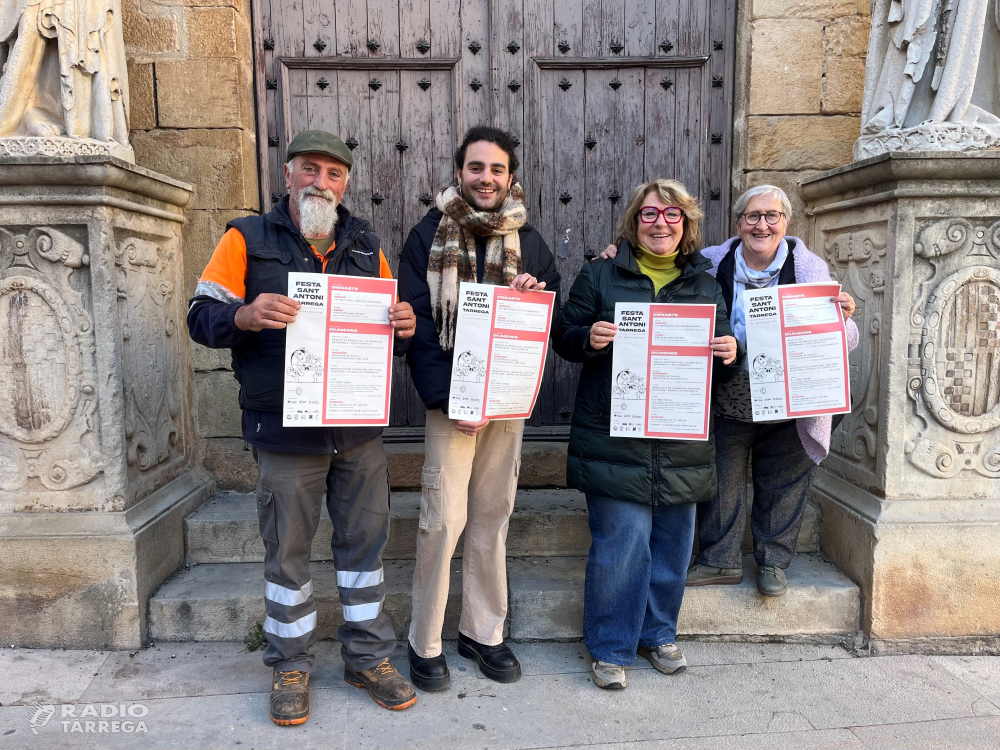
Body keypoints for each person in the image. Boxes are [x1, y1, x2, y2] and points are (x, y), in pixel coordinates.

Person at [187, 130, 419, 724]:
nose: (322, 182)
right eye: (310, 170)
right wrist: (243, 314)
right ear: (287, 174)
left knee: (365, 548)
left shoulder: (365, 244)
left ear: (346, 183)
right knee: (288, 553)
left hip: (357, 430)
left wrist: (402, 321)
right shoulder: (245, 237)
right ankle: (290, 661)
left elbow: (390, 324)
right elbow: (199, 316)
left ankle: (368, 655)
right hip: (286, 432)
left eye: (334, 173)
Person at [601, 184, 859, 597]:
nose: (762, 225)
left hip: (791, 396)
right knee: (722, 477)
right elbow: (665, 272)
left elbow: (846, 341)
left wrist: (841, 318)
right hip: (729, 392)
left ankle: (773, 561)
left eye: (771, 216)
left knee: (784, 478)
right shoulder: (712, 263)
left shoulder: (810, 270)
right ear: (738, 222)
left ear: (786, 223)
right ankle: (720, 560)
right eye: (752, 216)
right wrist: (617, 256)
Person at [554, 179, 742, 691]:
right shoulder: (599, 274)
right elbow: (564, 337)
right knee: (622, 544)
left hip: (681, 437)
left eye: (673, 215)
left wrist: (730, 355)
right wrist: (588, 338)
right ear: (634, 222)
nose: (661, 222)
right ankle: (611, 645)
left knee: (673, 545)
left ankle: (658, 634)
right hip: (615, 438)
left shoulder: (705, 284)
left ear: (687, 225)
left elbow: (722, 355)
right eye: (650, 214)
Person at [398, 126, 561, 692]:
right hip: (451, 407)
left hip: (507, 407)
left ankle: (482, 632)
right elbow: (417, 328)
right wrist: (450, 399)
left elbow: (549, 323)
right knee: (442, 521)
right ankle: (425, 640)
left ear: (510, 176)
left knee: (491, 517)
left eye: (496, 169)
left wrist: (534, 292)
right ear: (459, 172)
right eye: (475, 168)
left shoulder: (533, 242)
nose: (485, 178)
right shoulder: (425, 236)